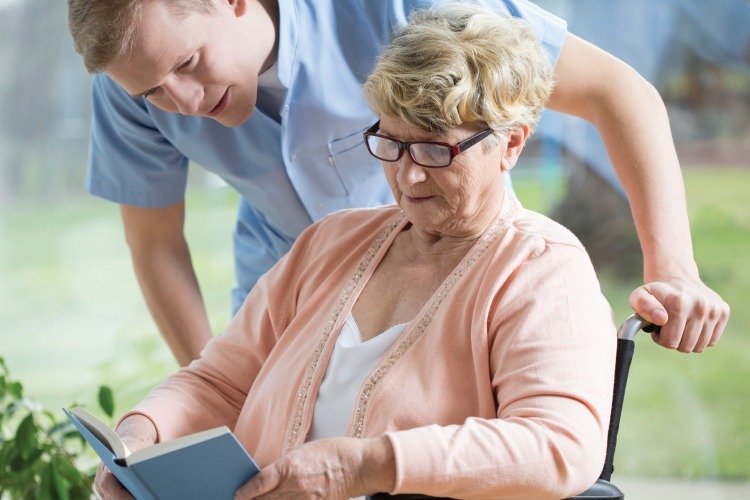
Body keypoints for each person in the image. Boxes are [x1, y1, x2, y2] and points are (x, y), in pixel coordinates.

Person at [95, 5, 616, 499]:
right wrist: (143, 435)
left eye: (435, 150)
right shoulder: (330, 243)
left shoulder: (543, 271)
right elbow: (219, 382)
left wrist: (367, 466)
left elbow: (559, 445)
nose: (408, 175)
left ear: (511, 144)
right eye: (390, 143)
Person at [66, 0, 729, 367]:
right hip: (288, 305)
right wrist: (211, 382)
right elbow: (155, 244)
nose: (178, 99)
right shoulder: (133, 92)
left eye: (188, 64)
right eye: (152, 90)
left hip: (467, 287)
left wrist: (674, 268)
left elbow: (620, 94)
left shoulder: (404, 5)